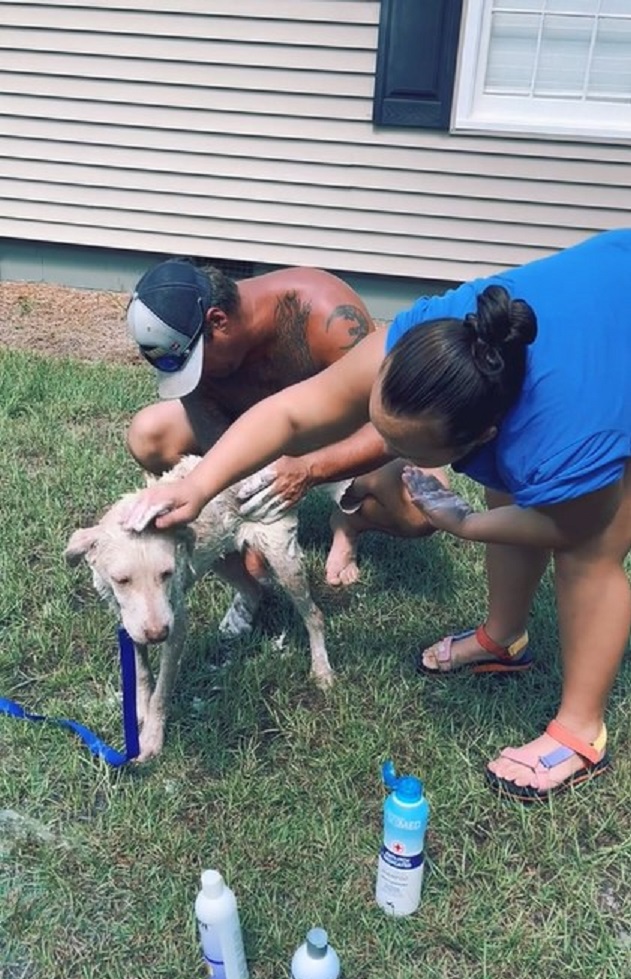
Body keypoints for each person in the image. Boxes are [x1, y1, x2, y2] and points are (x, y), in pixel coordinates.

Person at [122, 230, 631, 803]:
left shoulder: (566, 433)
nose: (386, 448)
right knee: (511, 486)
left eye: (404, 445)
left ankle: (580, 732)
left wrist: (462, 525)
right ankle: (503, 637)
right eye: (379, 423)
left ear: (482, 436)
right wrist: (199, 482)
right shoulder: (423, 338)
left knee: (592, 554)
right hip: (605, 279)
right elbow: (291, 414)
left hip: (610, 350)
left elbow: (571, 528)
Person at [126, 257, 447, 589]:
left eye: (195, 365)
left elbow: (391, 425)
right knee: (148, 433)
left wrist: (310, 469)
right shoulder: (197, 344)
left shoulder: (323, 314)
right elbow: (215, 439)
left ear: (218, 321)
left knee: (422, 509)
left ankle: (349, 523)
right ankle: (241, 563)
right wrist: (248, 521)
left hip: (338, 437)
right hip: (250, 437)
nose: (196, 377)